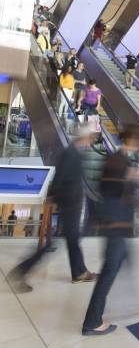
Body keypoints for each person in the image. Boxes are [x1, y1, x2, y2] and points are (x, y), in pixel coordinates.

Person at [8, 125, 100, 293]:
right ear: (84, 138)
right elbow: (60, 178)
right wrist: (53, 199)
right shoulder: (71, 154)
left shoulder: (76, 153)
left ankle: (79, 272)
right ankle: (21, 271)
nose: (92, 141)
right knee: (57, 243)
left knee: (71, 241)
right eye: (91, 138)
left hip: (70, 205)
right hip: (69, 205)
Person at [82, 124, 139, 336]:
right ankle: (92, 322)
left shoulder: (119, 160)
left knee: (124, 261)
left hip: (118, 225)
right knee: (109, 272)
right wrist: (130, 179)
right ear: (130, 141)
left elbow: (106, 188)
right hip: (116, 225)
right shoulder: (119, 161)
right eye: (137, 140)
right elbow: (111, 191)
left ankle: (129, 301)